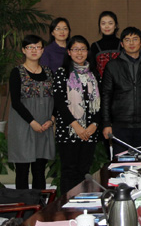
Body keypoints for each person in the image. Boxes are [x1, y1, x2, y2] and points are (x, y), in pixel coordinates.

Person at [52, 35, 101, 194]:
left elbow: (100, 102)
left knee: (84, 171)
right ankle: (68, 204)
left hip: (89, 132)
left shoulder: (94, 74)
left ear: (88, 52)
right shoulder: (62, 73)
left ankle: (83, 204)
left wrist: (94, 125)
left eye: (83, 49)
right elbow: (59, 104)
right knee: (69, 171)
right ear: (69, 52)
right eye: (75, 49)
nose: (79, 53)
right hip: (69, 131)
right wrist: (76, 126)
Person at [8, 35, 55, 189]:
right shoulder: (17, 72)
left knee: (39, 170)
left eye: (38, 47)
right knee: (22, 171)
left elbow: (56, 98)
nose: (34, 50)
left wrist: (52, 119)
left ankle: (39, 203)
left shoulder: (48, 72)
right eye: (30, 47)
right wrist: (32, 122)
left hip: (44, 126)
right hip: (23, 125)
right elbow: (16, 102)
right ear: (23, 50)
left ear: (42, 50)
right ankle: (23, 204)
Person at [101, 27, 141, 153]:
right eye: (127, 40)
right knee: (121, 162)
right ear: (122, 44)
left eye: (135, 39)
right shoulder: (112, 66)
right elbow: (106, 96)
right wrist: (106, 123)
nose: (131, 43)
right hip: (120, 125)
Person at [88, 11, 121, 78]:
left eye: (110, 23)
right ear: (99, 26)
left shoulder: (122, 43)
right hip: (101, 83)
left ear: (115, 25)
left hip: (121, 83)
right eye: (103, 23)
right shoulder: (95, 46)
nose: (106, 26)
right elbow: (92, 68)